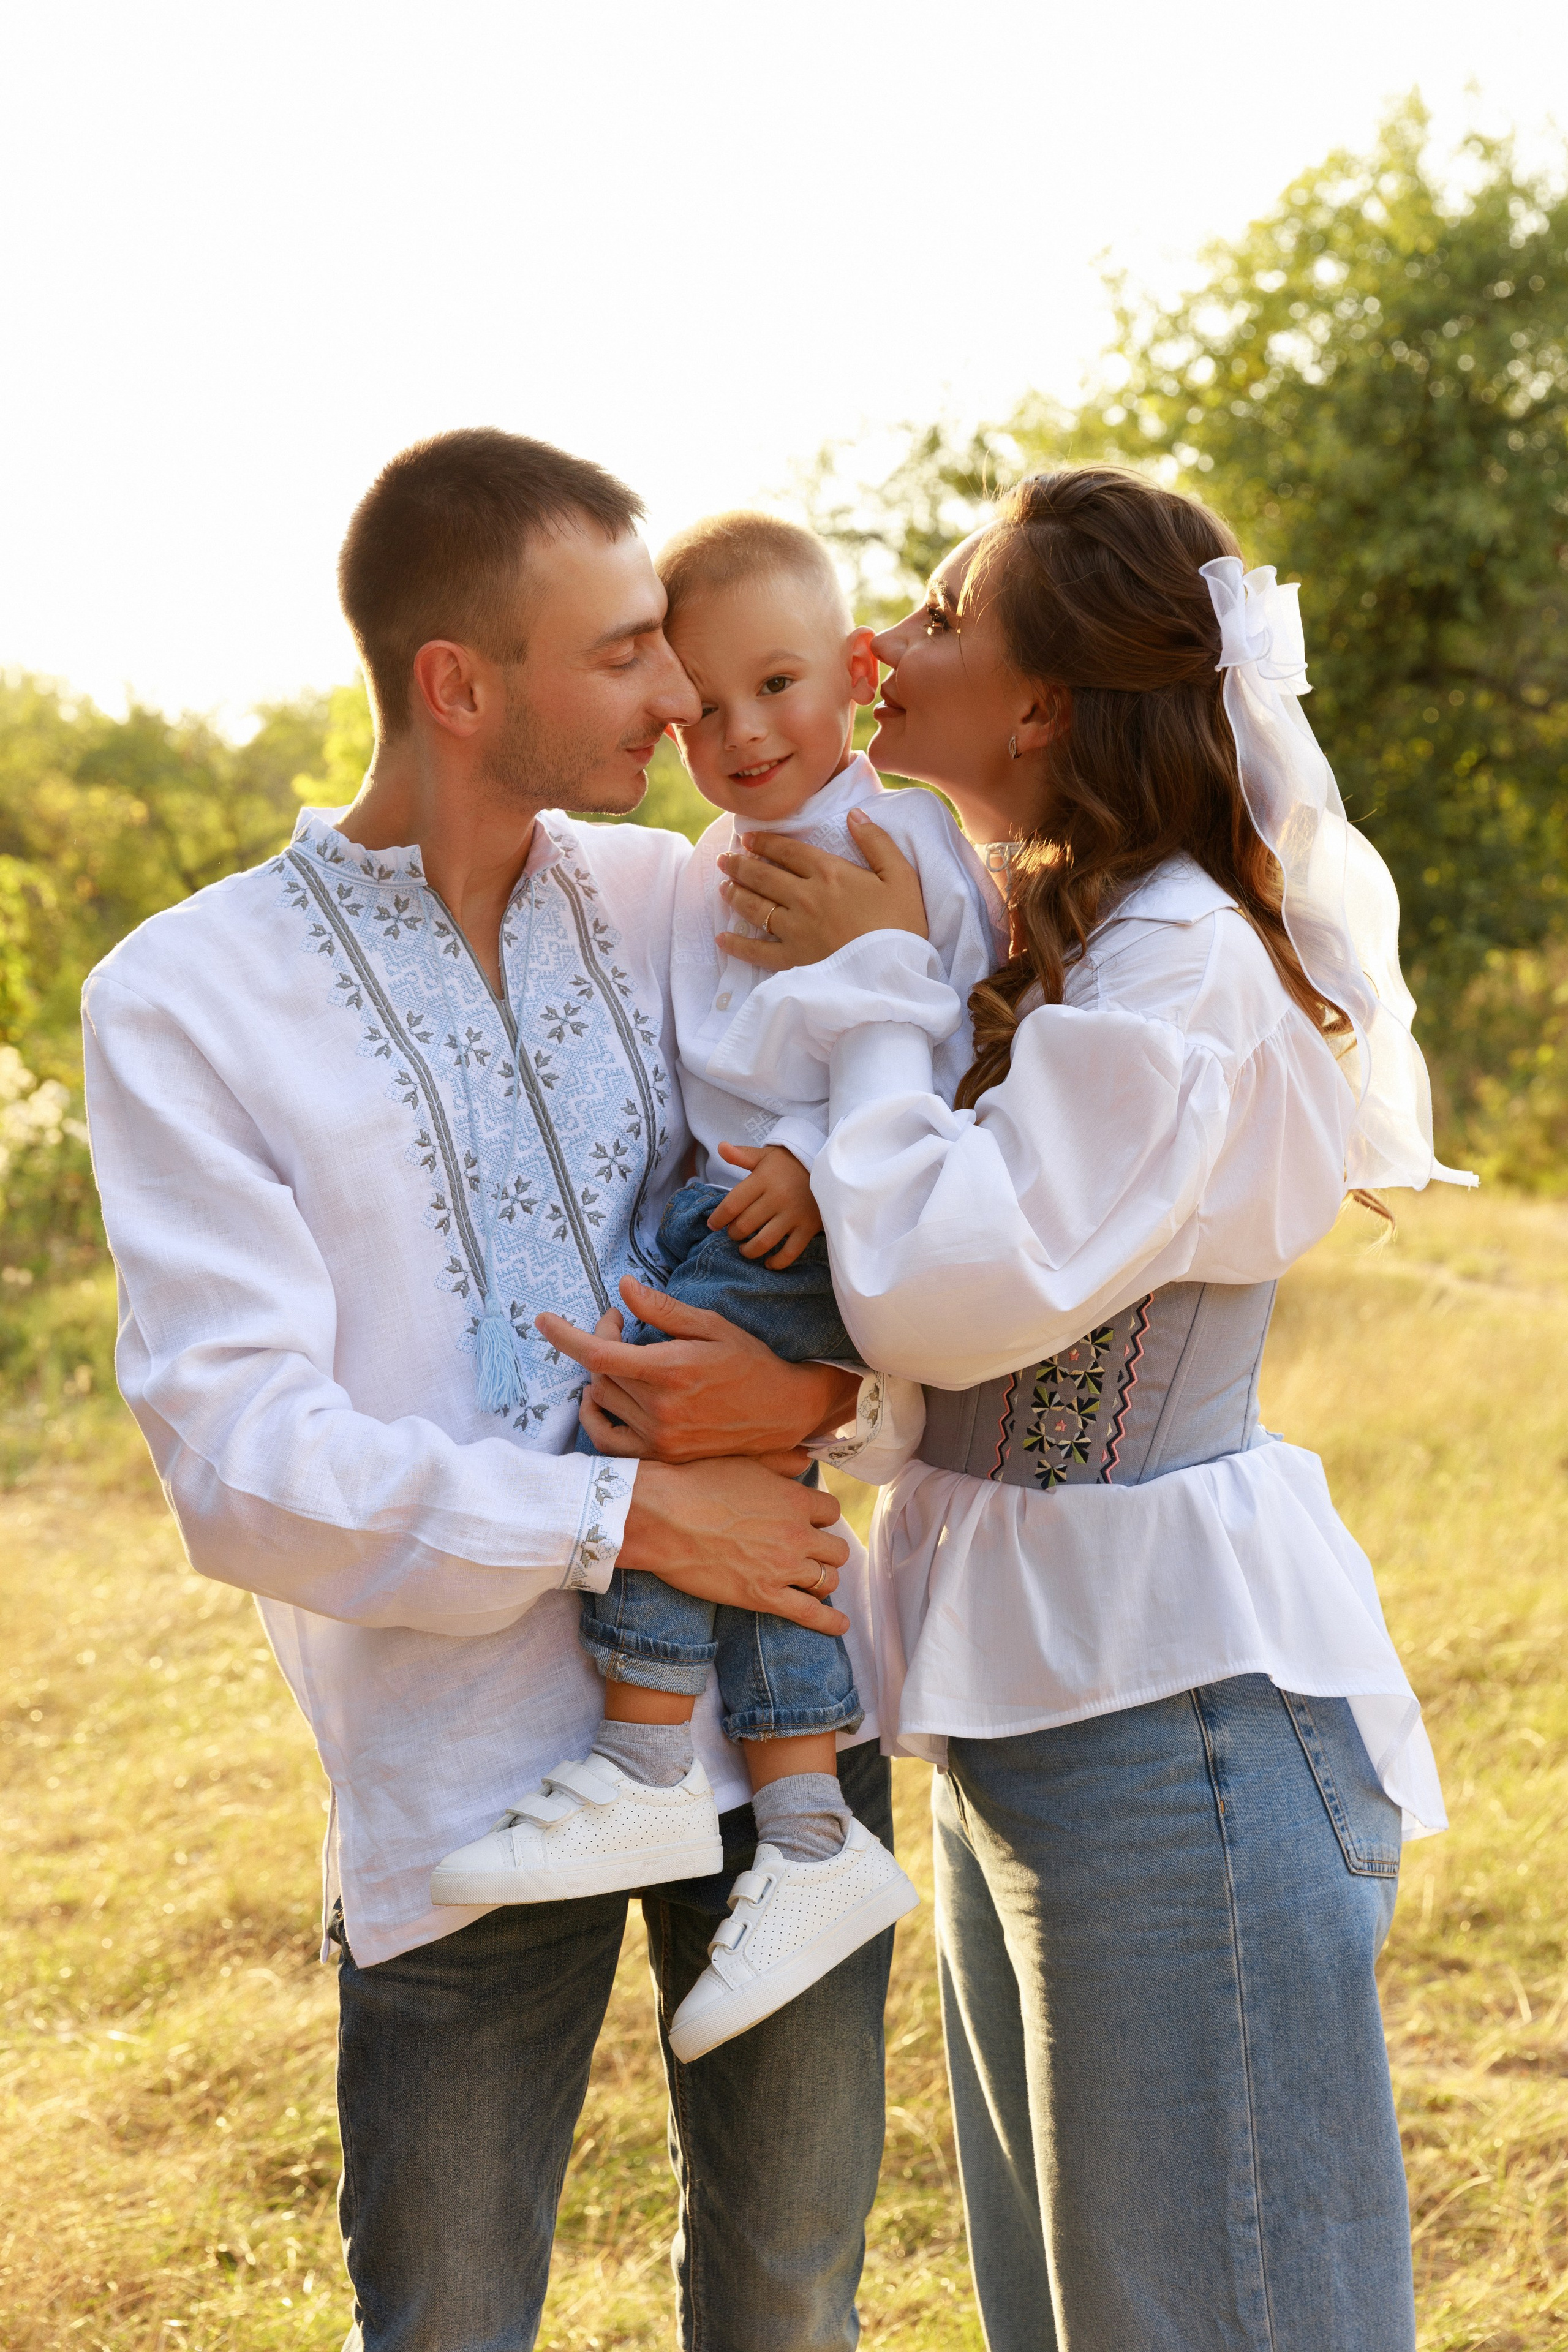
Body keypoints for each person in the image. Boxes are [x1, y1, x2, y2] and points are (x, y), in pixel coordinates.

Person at [81, 429, 908, 2352]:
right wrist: (629, 1510)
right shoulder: (185, 999)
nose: (682, 692)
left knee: (793, 2302)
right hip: (467, 1783)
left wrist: (803, 1413)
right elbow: (240, 1459)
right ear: (460, 685)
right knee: (450, 2320)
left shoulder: (686, 894)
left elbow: (885, 1172)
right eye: (625, 651)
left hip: (787, 1737)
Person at [661, 467, 1469, 2350]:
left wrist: (862, 995)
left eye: (941, 615)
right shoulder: (1074, 938)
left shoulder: (1178, 957)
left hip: (1176, 1725)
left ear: (1040, 702)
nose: (890, 647)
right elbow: (951, 1343)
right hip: (1048, 1723)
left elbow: (946, 1281)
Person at [435, 511, 1001, 2060]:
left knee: (662, 1431)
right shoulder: (700, 866)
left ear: (857, 668)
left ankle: (645, 1762)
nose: (744, 734)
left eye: (780, 685)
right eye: (705, 707)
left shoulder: (908, 846)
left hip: (813, 1228)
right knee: (715, 1477)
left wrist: (816, 1160)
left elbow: (954, 1049)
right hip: (726, 1219)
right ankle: (807, 1829)